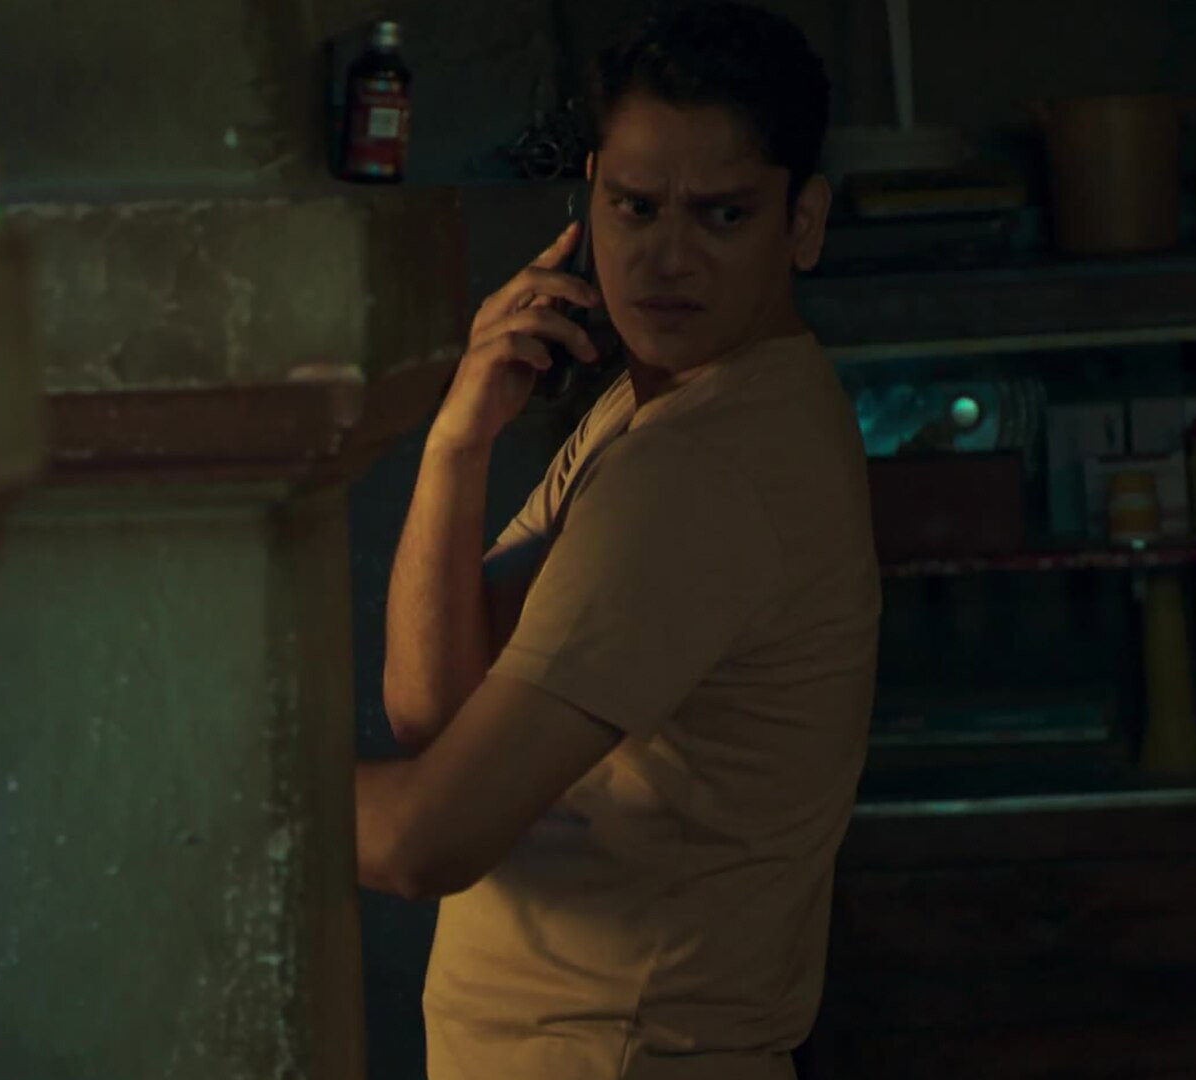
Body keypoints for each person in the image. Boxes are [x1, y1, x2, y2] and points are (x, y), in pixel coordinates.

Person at [352, 4, 881, 1078]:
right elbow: (437, 712)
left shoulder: (704, 467)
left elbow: (423, 843)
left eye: (723, 215)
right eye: (635, 207)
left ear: (803, 223)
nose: (666, 259)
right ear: (588, 197)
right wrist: (458, 441)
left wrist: (213, 783)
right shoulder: (658, 409)